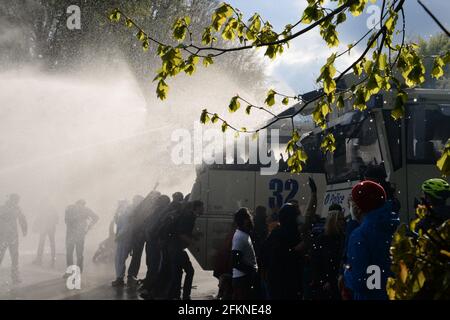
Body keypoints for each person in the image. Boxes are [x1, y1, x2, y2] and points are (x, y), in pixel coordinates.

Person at [344, 181, 399, 300]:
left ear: (357, 208)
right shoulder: (396, 227)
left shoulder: (360, 235)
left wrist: (346, 274)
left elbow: (362, 281)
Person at [166, 200, 204, 300]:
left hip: (175, 248)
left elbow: (183, 231)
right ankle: (185, 295)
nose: (203, 209)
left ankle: (175, 295)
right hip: (176, 249)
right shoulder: (189, 217)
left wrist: (194, 235)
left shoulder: (188, 216)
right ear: (196, 208)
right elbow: (181, 234)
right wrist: (192, 242)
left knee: (177, 274)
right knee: (189, 271)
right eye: (202, 207)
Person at [310, 206, 346, 300]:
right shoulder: (322, 240)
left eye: (343, 219)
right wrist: (323, 281)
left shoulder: (343, 238)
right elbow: (316, 262)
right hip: (327, 284)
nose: (343, 222)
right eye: (340, 219)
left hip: (338, 281)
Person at [127, 191, 157, 287]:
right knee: (137, 255)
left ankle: (147, 276)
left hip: (146, 235)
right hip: (140, 234)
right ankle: (132, 274)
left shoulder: (153, 208)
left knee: (149, 257)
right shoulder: (139, 209)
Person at [64, 199, 98, 276]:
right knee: (79, 253)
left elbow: (66, 221)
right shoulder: (85, 210)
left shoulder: (69, 208)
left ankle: (70, 271)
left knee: (70, 253)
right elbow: (96, 218)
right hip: (80, 234)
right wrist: (88, 227)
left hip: (71, 234)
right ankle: (78, 272)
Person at [0, 194, 27, 284]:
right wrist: (24, 229)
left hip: (6, 236)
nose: (16, 202)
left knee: (10, 256)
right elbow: (22, 219)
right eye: (16, 200)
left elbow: (22, 219)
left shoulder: (5, 208)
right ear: (13, 200)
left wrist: (24, 229)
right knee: (12, 256)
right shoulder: (13, 208)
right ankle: (15, 277)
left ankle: (15, 277)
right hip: (8, 236)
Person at [231, 208, 258, 300]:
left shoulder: (244, 235)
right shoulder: (240, 237)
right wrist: (251, 271)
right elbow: (235, 261)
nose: (251, 220)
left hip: (243, 279)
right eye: (249, 218)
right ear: (245, 220)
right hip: (242, 280)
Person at [111, 200, 132, 287]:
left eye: (120, 204)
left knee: (120, 259)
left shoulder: (127, 213)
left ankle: (120, 278)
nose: (119, 206)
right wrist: (117, 211)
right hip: (122, 239)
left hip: (124, 239)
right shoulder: (122, 213)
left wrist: (119, 236)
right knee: (119, 259)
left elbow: (126, 226)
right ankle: (119, 277)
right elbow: (117, 222)